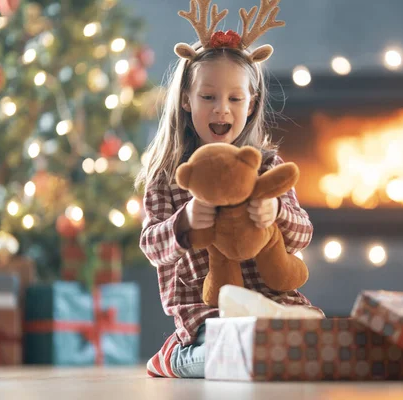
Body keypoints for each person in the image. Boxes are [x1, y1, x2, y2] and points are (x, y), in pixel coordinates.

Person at [135, 0, 322, 379]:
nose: (222, 110)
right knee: (231, 348)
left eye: (235, 99)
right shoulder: (167, 176)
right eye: (209, 97)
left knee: (313, 334)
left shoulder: (267, 167)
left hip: (272, 308)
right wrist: (182, 222)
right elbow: (151, 247)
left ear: (251, 105)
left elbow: (303, 232)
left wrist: (278, 213)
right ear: (187, 99)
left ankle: (271, 353)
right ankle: (176, 356)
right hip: (210, 320)